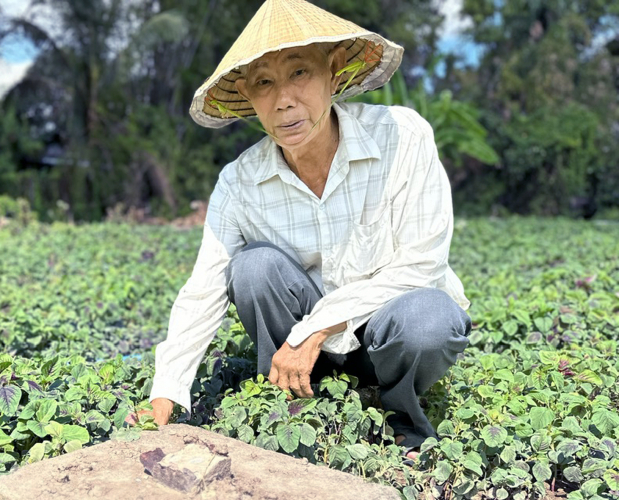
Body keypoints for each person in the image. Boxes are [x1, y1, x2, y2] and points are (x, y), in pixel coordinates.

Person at [145, 0, 472, 460]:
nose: (283, 100)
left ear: (334, 72)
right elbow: (204, 288)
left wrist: (311, 332)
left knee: (429, 319)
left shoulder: (403, 137)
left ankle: (400, 413)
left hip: (385, 332)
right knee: (253, 269)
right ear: (249, 96)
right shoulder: (239, 182)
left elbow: (421, 265)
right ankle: (295, 402)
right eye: (264, 82)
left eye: (299, 73)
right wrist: (167, 390)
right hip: (304, 345)